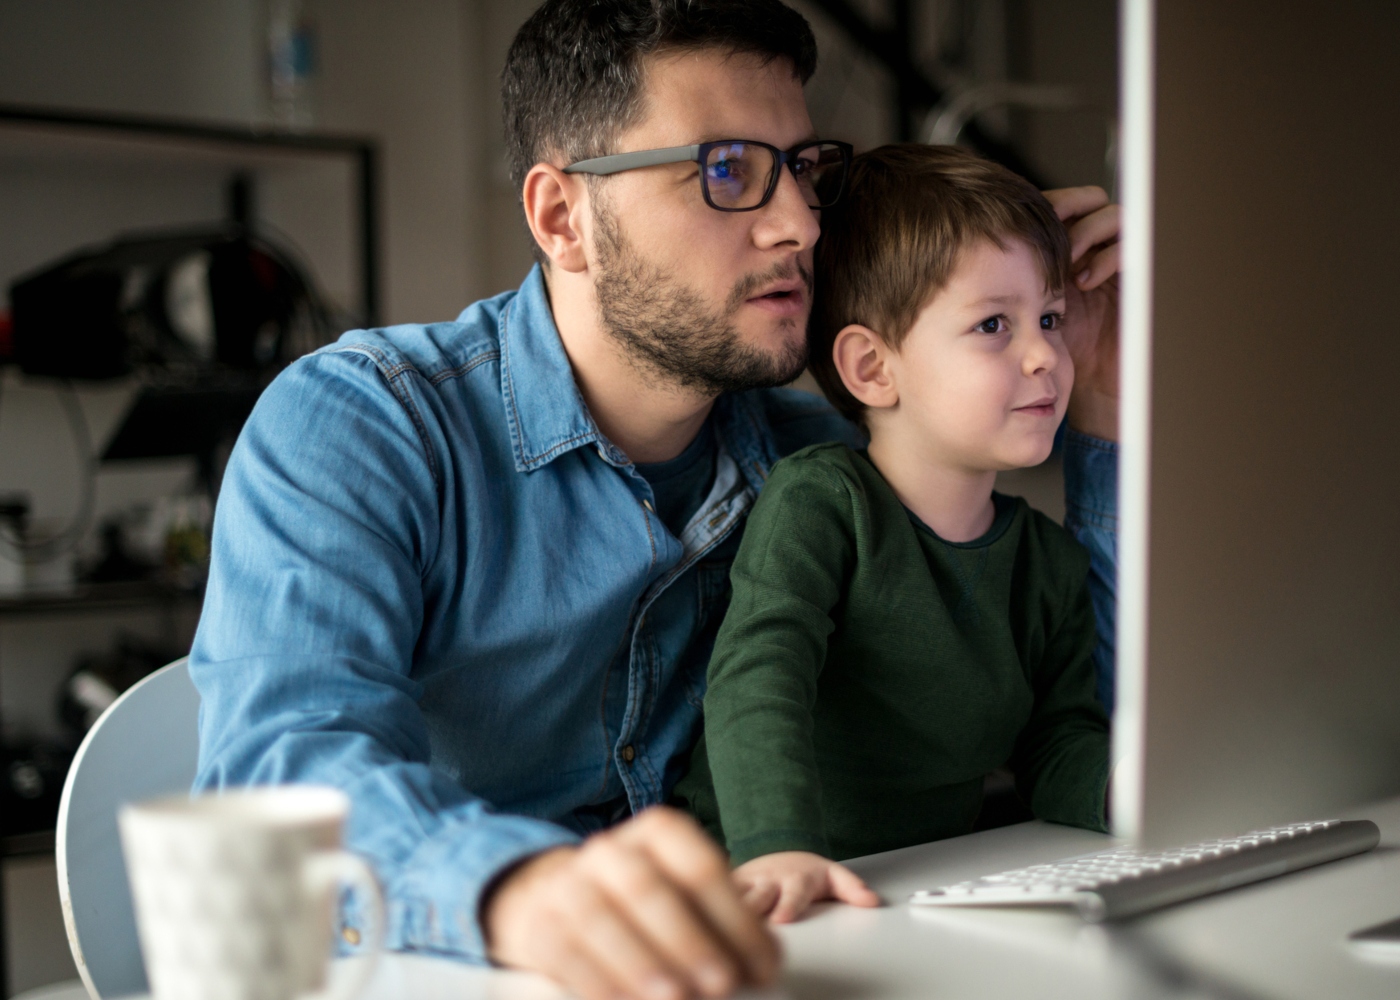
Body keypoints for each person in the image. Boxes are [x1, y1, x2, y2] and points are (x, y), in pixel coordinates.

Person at [189, 2, 1123, 999]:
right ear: (562, 218)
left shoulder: (826, 462)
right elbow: (278, 772)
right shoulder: (371, 425)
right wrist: (520, 888)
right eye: (726, 170)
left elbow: (1087, 711)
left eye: (803, 168)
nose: (801, 224)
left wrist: (1101, 403)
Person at [674, 145, 1110, 923]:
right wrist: (778, 847)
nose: (1046, 354)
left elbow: (1057, 745)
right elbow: (757, 676)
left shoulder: (1046, 560)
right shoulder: (822, 502)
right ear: (872, 368)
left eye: (1048, 317)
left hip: (913, 896)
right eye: (993, 325)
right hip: (754, 894)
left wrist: (1136, 793)